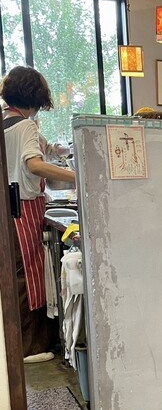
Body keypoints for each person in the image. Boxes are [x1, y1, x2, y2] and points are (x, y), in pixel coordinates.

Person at [1, 66, 76, 363]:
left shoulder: (7, 121)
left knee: (15, 276)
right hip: (23, 209)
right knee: (29, 276)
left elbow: (46, 150)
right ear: (35, 96)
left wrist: (64, 150)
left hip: (8, 210)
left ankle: (16, 344)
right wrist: (80, 178)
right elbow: (34, 164)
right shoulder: (25, 126)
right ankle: (31, 347)